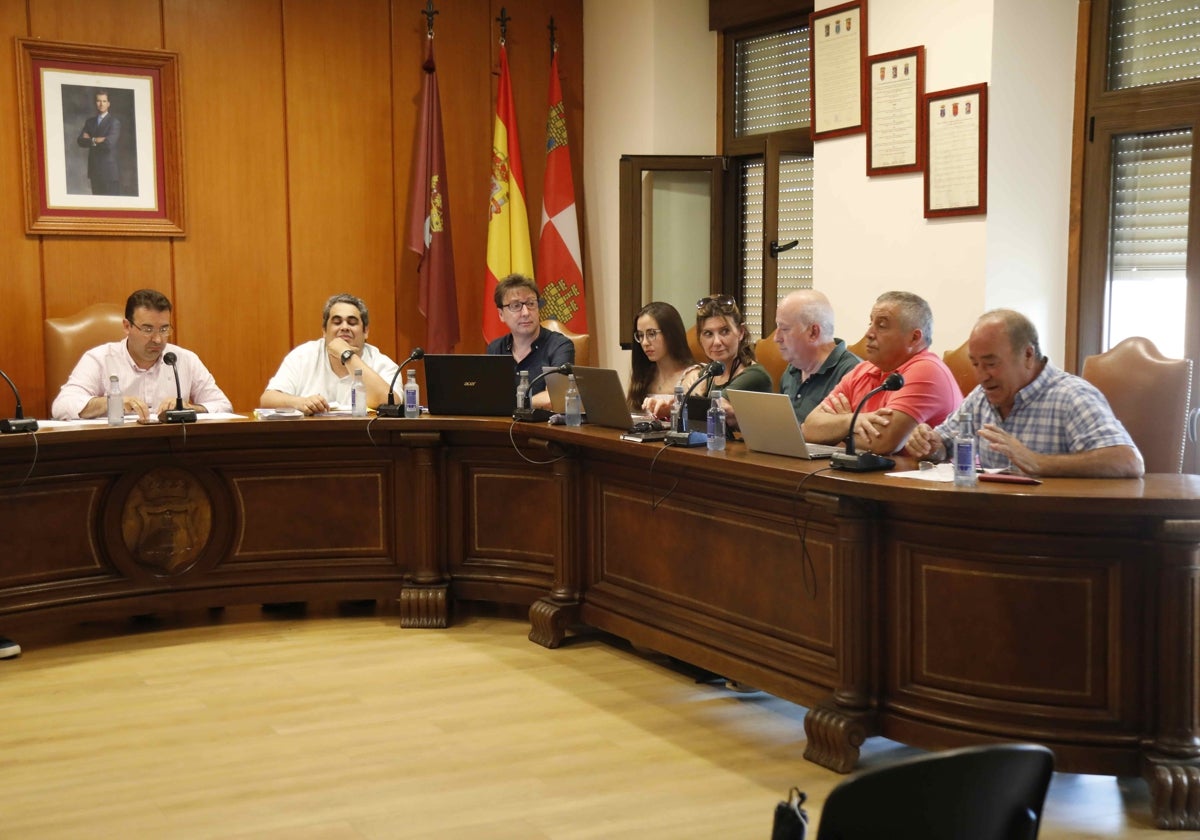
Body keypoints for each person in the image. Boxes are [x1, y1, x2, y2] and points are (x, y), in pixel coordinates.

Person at [905, 309, 1144, 477]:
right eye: (975, 364)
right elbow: (942, 445)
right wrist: (929, 445)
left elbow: (1127, 461)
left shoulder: (1072, 396)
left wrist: (1040, 463)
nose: (981, 376)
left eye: (991, 363)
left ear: (1028, 355)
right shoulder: (981, 398)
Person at [802, 290, 960, 455]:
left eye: (882, 326)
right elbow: (810, 429)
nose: (869, 334)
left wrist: (834, 431)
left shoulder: (927, 370)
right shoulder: (863, 370)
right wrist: (852, 420)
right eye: (870, 323)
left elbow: (882, 443)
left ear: (914, 338)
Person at [52, 289, 232, 421]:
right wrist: (113, 403)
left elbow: (224, 406)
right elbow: (62, 406)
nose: (158, 339)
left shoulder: (184, 359)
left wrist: (190, 408)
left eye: (164, 329)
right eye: (147, 329)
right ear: (126, 326)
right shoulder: (100, 359)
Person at [724, 289, 860, 431]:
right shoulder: (792, 370)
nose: (776, 338)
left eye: (784, 329)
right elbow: (783, 430)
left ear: (813, 332)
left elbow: (855, 441)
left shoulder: (854, 373)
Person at [261, 293, 400, 415]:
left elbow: (391, 402)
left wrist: (346, 355)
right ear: (324, 331)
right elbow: (267, 399)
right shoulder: (302, 356)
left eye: (352, 322)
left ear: (366, 331)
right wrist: (300, 402)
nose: (344, 327)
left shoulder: (383, 364)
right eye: (337, 322)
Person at [485, 274, 574, 410]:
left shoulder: (560, 346)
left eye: (531, 304)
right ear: (501, 314)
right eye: (516, 306)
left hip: (543, 428)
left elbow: (556, 397)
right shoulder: (495, 349)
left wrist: (514, 404)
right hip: (502, 427)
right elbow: (489, 396)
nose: (526, 312)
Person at [627, 301, 701, 410]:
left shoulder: (693, 377)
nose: (645, 342)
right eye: (640, 335)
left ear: (670, 333)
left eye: (652, 334)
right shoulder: (644, 376)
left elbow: (696, 422)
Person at [77, 90, 121, 195]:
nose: (101, 104)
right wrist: (96, 139)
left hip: (108, 172)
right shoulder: (90, 122)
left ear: (108, 103)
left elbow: (108, 144)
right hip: (94, 171)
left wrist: (90, 139)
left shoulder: (114, 122)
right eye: (98, 101)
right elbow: (80, 141)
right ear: (95, 103)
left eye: (104, 101)